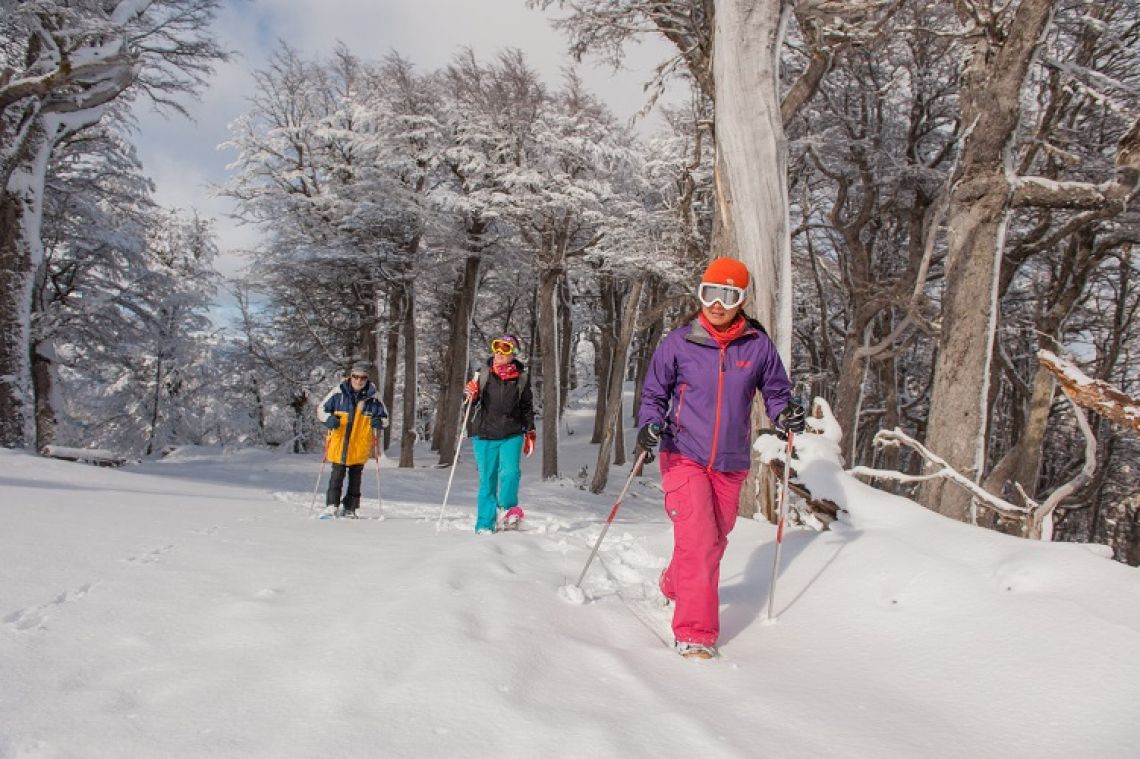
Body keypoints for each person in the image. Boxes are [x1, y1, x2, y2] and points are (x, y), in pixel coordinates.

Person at [636, 257, 806, 659]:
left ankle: (674, 583)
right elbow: (654, 395)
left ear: (741, 299)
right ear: (700, 293)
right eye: (710, 292)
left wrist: (785, 414)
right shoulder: (678, 344)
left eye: (728, 295)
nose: (717, 303)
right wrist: (648, 424)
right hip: (683, 454)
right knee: (697, 540)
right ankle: (695, 632)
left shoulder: (758, 346)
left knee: (713, 540)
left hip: (730, 461)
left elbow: (777, 392)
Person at [463, 334, 536, 534]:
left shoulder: (521, 378)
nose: (499, 352)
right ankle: (485, 524)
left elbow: (527, 406)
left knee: (511, 473)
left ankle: (508, 510)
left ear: (513, 353)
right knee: (487, 479)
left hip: (512, 433)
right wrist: (471, 394)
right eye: (496, 347)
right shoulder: (483, 374)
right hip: (485, 434)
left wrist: (530, 430)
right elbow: (471, 404)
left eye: (504, 348)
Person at [316, 362, 388, 518]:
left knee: (355, 480)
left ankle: (350, 508)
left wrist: (379, 422)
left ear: (367, 379)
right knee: (336, 477)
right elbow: (321, 409)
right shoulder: (338, 392)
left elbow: (385, 419)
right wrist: (328, 419)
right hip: (340, 443)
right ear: (351, 376)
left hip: (359, 445)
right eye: (355, 376)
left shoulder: (374, 397)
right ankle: (331, 506)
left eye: (363, 377)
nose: (359, 380)